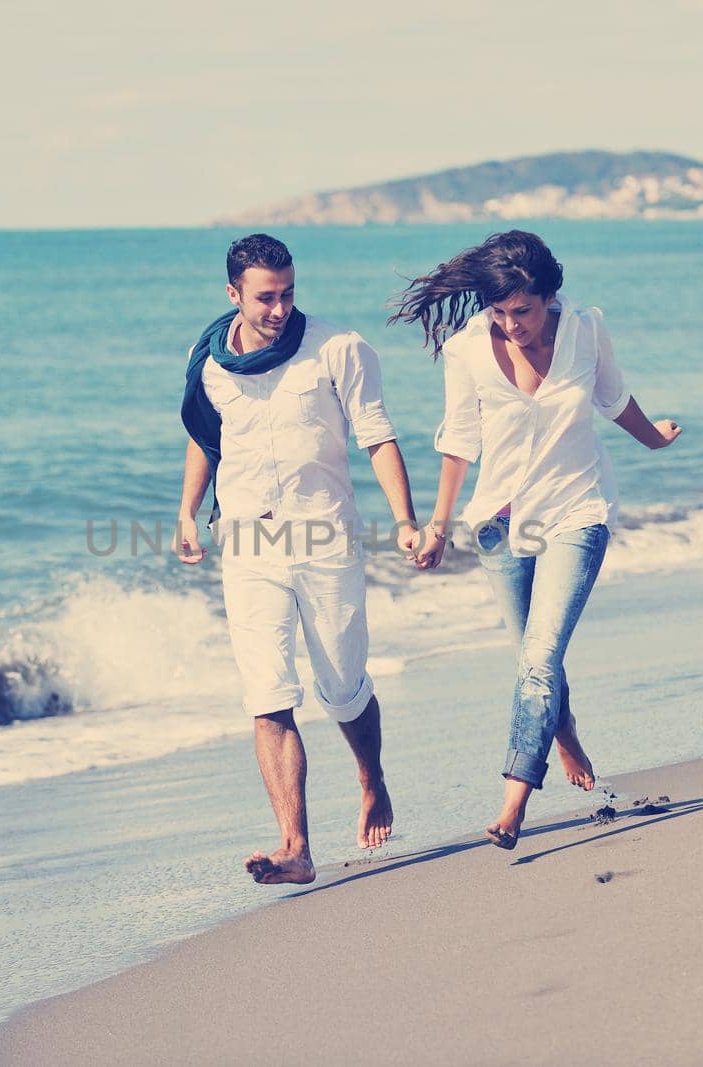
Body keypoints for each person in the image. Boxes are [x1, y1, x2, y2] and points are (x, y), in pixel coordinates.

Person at [391, 230, 682, 850]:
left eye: (521, 309)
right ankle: (565, 732)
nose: (511, 324)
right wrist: (437, 524)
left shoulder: (585, 329)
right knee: (532, 655)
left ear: (549, 295)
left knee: (539, 655)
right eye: (499, 311)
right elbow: (458, 438)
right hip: (499, 525)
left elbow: (612, 398)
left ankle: (515, 796)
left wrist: (653, 439)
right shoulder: (467, 348)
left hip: (578, 510)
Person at [176, 233, 420, 884]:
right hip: (249, 542)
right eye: (265, 298)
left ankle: (370, 775)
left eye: (288, 294)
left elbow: (378, 435)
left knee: (342, 686)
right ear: (233, 294)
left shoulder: (338, 349)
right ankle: (294, 846)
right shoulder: (209, 361)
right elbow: (207, 437)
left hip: (325, 536)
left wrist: (404, 521)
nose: (279, 308)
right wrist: (186, 511)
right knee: (268, 694)